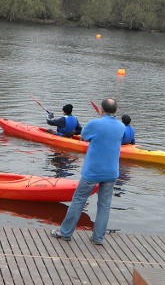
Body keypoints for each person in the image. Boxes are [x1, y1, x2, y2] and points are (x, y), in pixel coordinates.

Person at [51, 98, 125, 245]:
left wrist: (98, 119)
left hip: (93, 171)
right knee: (104, 205)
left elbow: (84, 137)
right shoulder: (121, 126)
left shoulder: (94, 123)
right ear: (116, 111)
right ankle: (98, 238)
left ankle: (65, 233)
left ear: (101, 110)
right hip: (111, 172)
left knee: (78, 200)